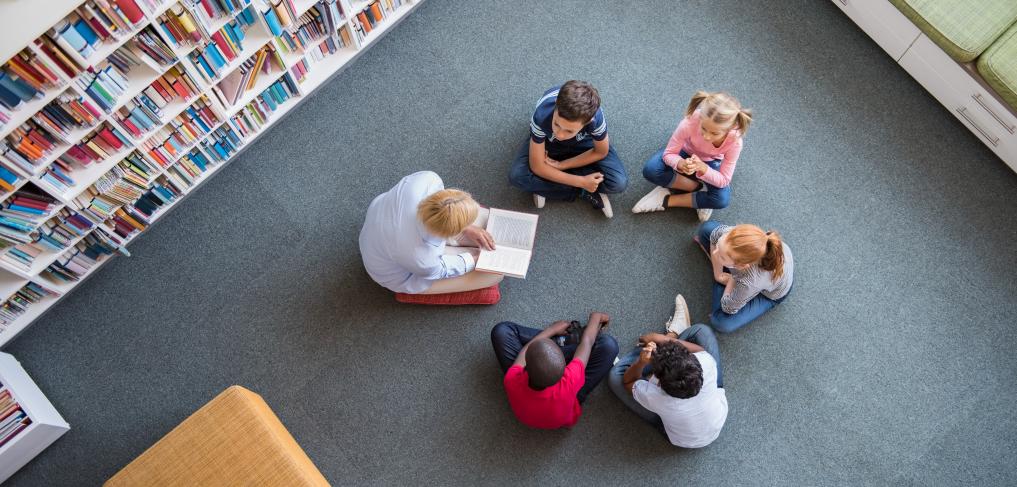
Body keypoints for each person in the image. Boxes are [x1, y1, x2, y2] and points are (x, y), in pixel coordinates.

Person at [608, 294, 728, 448]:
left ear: (658, 383)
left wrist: (641, 362)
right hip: (715, 421)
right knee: (701, 331)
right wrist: (661, 339)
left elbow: (628, 382)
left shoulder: (656, 398)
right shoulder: (706, 363)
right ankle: (669, 337)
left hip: (679, 437)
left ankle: (664, 341)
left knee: (615, 377)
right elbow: (700, 350)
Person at [359, 171, 503, 294]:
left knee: (486, 224)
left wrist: (468, 227)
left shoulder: (427, 180)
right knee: (494, 276)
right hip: (400, 271)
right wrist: (475, 259)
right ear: (449, 232)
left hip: (383, 223)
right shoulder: (422, 259)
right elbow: (442, 269)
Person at [508, 80, 627, 218]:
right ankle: (583, 191)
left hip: (583, 141)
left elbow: (601, 151)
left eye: (569, 131)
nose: (560, 134)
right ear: (555, 109)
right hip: (548, 143)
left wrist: (561, 165)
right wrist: (581, 182)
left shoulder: (596, 118)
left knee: (618, 182)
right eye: (557, 124)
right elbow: (537, 166)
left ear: (588, 122)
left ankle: (547, 184)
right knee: (517, 176)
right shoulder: (541, 115)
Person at [632, 91, 752, 221]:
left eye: (714, 133)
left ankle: (665, 200)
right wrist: (680, 163)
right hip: (685, 152)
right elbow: (669, 153)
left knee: (721, 200)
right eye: (704, 128)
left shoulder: (735, 142)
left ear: (730, 128)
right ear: (700, 118)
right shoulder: (691, 121)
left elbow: (724, 180)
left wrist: (703, 169)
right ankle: (698, 188)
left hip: (711, 162)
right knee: (651, 170)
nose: (707, 136)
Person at [491, 312, 619, 429]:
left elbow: (527, 349)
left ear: (526, 367)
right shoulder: (570, 379)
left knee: (501, 331)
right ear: (564, 369)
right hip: (569, 402)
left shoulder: (512, 379)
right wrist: (596, 317)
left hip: (530, 411)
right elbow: (587, 342)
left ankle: (558, 342)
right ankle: (564, 343)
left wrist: (552, 329)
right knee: (608, 345)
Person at [694, 221, 794, 332]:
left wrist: (733, 278)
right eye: (718, 247)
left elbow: (728, 308)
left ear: (741, 266)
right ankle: (727, 272)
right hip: (751, 275)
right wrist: (719, 275)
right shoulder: (727, 233)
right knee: (706, 229)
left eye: (721, 257)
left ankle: (733, 283)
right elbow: (714, 237)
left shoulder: (749, 282)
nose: (715, 253)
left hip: (771, 294)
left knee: (720, 322)